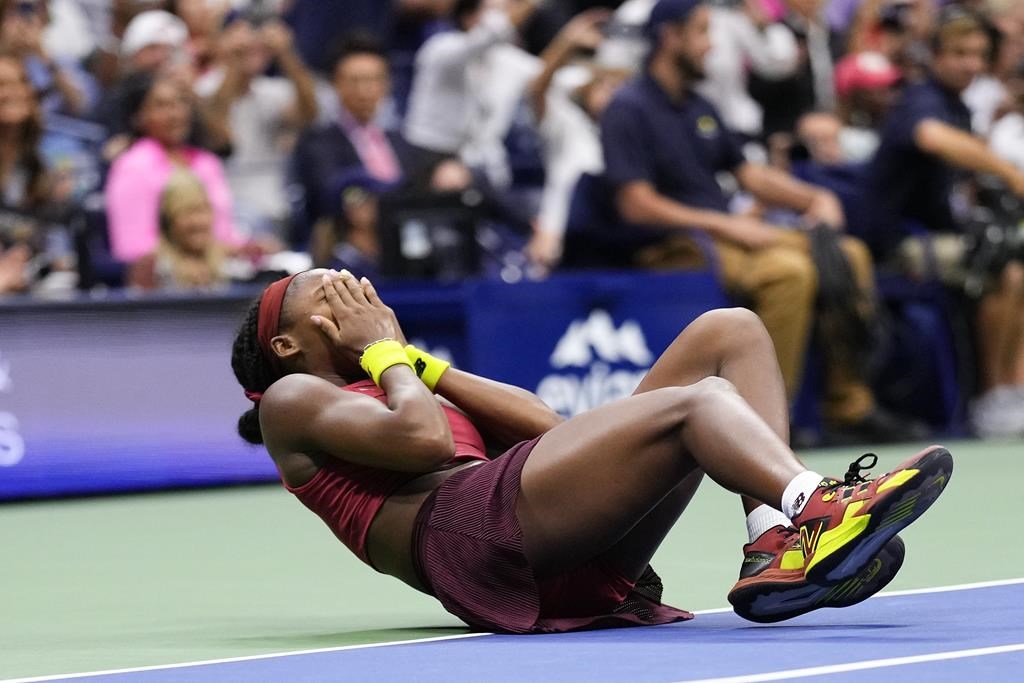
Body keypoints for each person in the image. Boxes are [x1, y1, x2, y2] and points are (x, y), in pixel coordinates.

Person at [230, 267, 953, 632]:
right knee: (700, 405)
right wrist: (384, 350)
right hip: (470, 539)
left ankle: (773, 547)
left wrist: (412, 359)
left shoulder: (394, 378)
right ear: (285, 344)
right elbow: (420, 438)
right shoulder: (291, 401)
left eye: (348, 283)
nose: (351, 294)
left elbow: (546, 427)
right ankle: (815, 507)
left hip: (527, 526)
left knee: (730, 330)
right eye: (327, 295)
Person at [600, 0, 919, 444]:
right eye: (701, 33)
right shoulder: (628, 107)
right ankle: (766, 425)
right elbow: (636, 204)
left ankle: (849, 406)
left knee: (850, 254)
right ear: (670, 37)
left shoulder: (699, 106)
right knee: (788, 272)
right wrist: (726, 225)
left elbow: (749, 175)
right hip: (672, 245)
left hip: (721, 236)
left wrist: (813, 196)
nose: (711, 46)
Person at [858, 9, 1024, 437]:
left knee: (1013, 264)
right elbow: (931, 137)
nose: (970, 64)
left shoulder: (961, 107)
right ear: (934, 56)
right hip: (895, 247)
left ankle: (1010, 390)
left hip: (941, 237)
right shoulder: (921, 98)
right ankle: (991, 400)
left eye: (978, 55)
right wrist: (1009, 174)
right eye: (959, 53)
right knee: (999, 269)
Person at [195, 10, 318, 241]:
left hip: (275, 207)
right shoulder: (204, 87)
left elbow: (309, 113)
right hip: (226, 206)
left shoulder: (271, 90)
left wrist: (286, 54)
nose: (250, 51)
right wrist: (234, 62)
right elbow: (218, 135)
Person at [104, 72, 244, 264]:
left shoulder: (208, 163)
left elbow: (225, 234)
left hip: (220, 272)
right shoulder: (132, 166)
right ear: (139, 117)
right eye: (161, 106)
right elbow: (132, 247)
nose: (175, 114)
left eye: (180, 103)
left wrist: (247, 248)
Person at [126, 168, 231, 291]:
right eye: (187, 213)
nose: (198, 221)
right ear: (167, 221)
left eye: (203, 210)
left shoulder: (231, 261)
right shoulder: (148, 268)